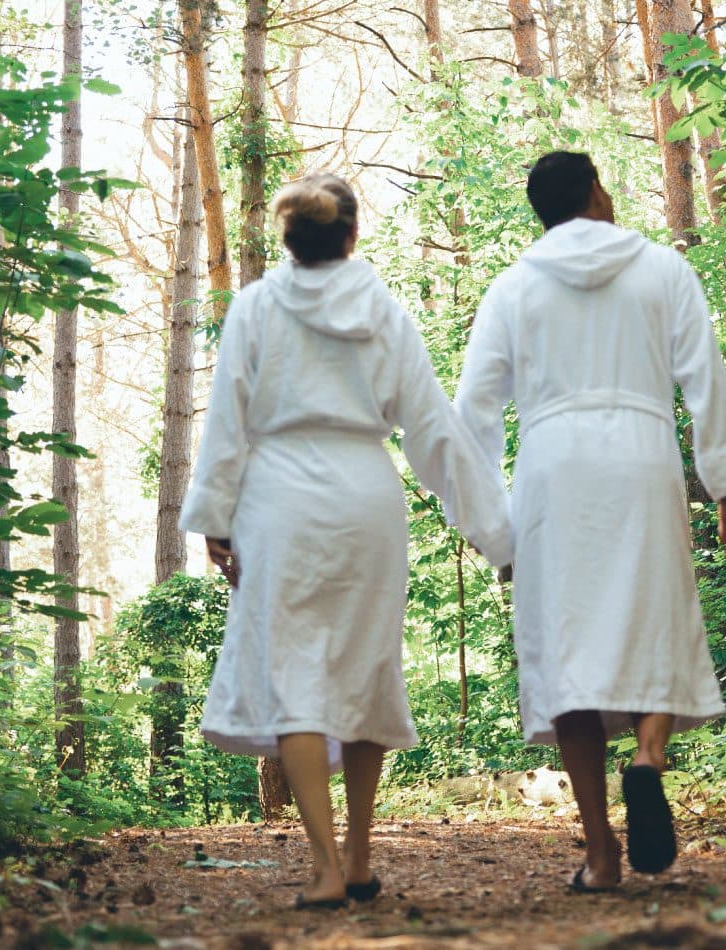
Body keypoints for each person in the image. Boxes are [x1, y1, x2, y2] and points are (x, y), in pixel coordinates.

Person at [179, 173, 513, 909]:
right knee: (365, 674)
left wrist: (216, 517)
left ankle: (327, 868)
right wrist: (499, 535)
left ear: (288, 241)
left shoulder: (256, 308)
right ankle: (361, 858)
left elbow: (228, 419)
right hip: (366, 498)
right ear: (352, 235)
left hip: (278, 502)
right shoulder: (384, 313)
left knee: (296, 682)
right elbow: (432, 430)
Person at [454, 151, 726, 891]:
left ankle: (600, 853)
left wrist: (489, 522)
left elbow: (471, 414)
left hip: (554, 472)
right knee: (653, 621)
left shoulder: (512, 288)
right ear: (594, 192)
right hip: (643, 459)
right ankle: (648, 762)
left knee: (565, 657)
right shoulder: (661, 270)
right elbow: (703, 377)